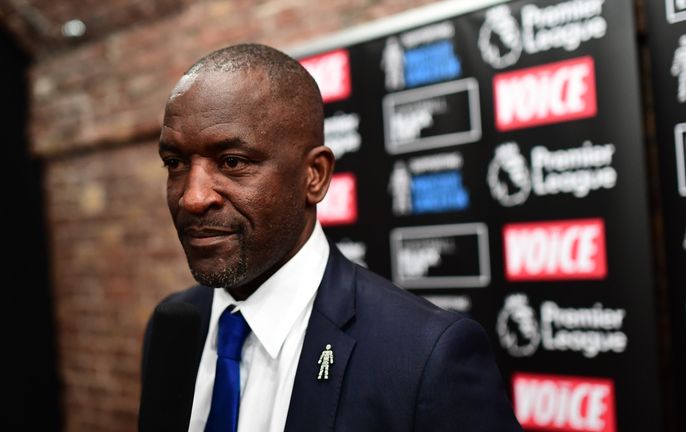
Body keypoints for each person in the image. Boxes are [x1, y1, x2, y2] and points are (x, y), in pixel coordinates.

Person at [142, 43, 522, 432]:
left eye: (233, 162)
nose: (192, 197)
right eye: (175, 163)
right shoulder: (173, 328)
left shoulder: (424, 357)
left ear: (315, 176)